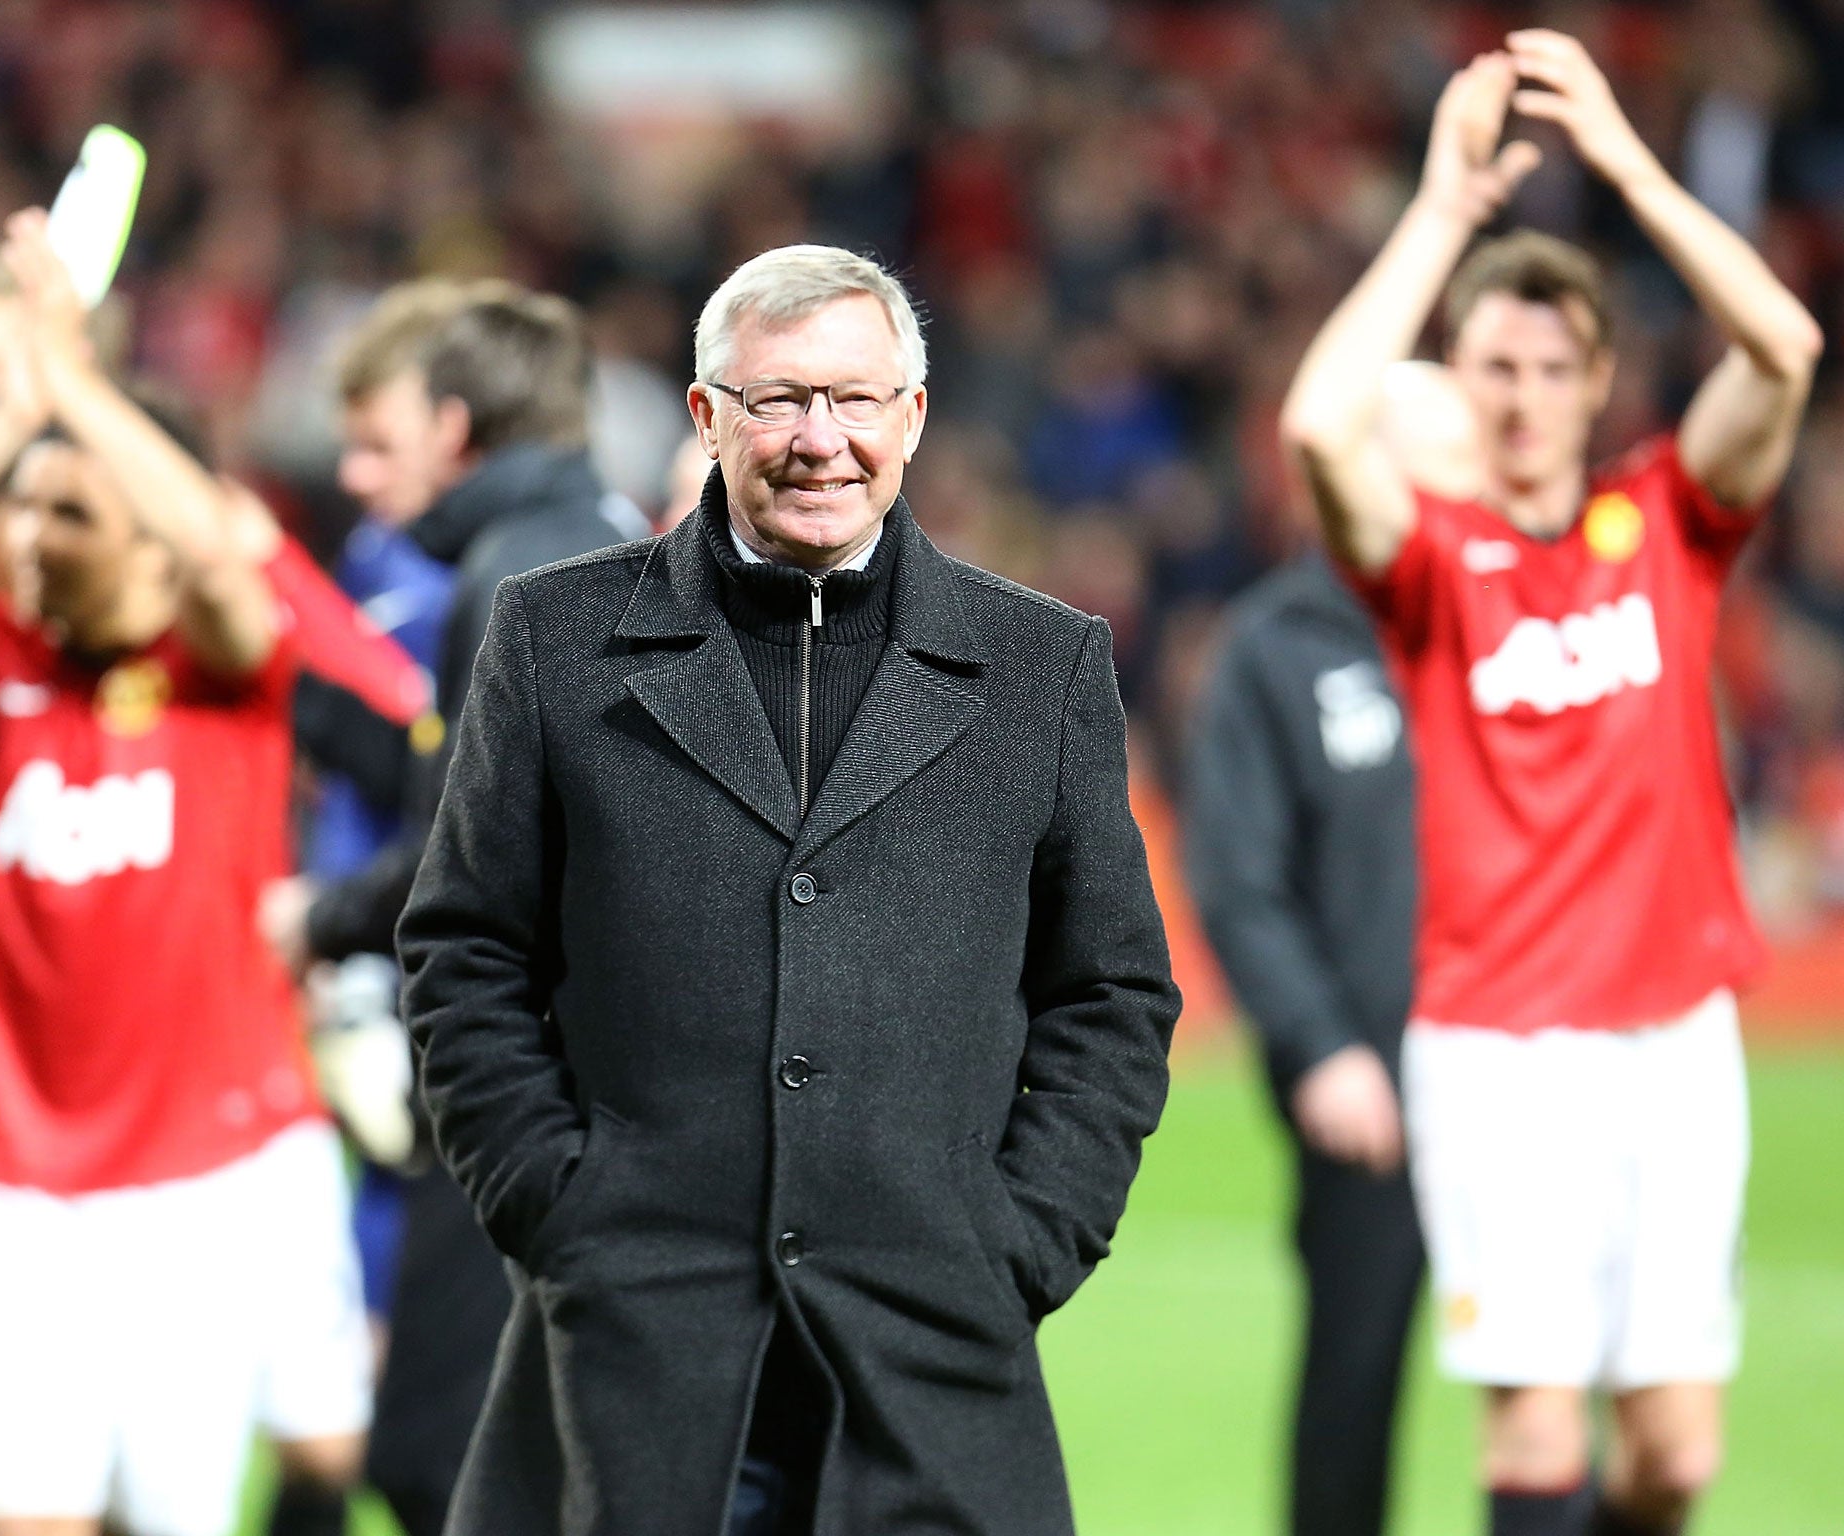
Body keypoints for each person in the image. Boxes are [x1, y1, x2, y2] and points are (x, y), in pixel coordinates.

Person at [397, 244, 1181, 1536]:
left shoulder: (1042, 666)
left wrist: (1025, 1239)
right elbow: (467, 951)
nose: (822, 440)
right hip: (633, 1352)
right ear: (707, 419)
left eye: (856, 400)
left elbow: (1111, 992)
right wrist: (554, 1203)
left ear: (913, 418)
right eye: (778, 401)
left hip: (934, 1359)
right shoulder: (554, 641)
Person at [1280, 32, 1823, 1536]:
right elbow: (1323, 424)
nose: (1519, 396)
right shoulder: (1437, 569)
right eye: (1490, 367)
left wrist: (1631, 163)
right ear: (1461, 383)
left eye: (1547, 367)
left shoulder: (1663, 523)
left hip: (1674, 1039)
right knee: (1533, 1432)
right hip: (1501, 1048)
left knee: (1672, 1459)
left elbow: (1782, 348)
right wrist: (1446, 208)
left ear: (1598, 382)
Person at [0, 210, 373, 1536]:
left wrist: (80, 389)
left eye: (66, 514)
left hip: (194, 1189)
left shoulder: (223, 677)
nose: (25, 538)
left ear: (147, 543)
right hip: (5, 1192)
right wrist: (15, 423)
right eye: (22, 512)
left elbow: (232, 562)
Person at [262, 279, 646, 1536]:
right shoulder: (609, 535)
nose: (365, 473)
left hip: (516, 1084)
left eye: (387, 434)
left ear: (454, 422)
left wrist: (316, 918)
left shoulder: (511, 577)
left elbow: (464, 852)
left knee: (440, 1458)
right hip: (604, 1077)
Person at [1181, 540, 1422, 1536]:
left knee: (1555, 1399)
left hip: (1526, 1063)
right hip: (1374, 1081)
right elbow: (1236, 876)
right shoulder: (1275, 646)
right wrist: (1318, 1043)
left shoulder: (1514, 613)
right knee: (1351, 1387)